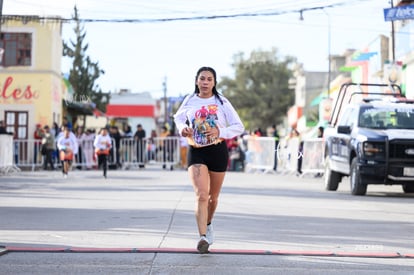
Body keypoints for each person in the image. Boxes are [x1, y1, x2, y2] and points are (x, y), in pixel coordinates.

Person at [173, 66, 245, 254]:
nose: (205, 82)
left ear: (214, 83)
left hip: (218, 150)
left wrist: (220, 131)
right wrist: (183, 129)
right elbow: (178, 118)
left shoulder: (222, 102)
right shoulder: (189, 100)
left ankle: (209, 223)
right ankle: (202, 237)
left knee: (213, 198)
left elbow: (239, 126)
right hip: (196, 151)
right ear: (197, 81)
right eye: (202, 78)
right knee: (202, 195)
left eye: (209, 79)